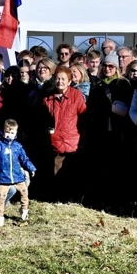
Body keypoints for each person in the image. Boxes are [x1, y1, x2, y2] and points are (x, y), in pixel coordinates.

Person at [38, 66, 87, 201]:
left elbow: (83, 117)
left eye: (63, 79)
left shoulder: (76, 95)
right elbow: (43, 119)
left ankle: (73, 198)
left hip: (73, 140)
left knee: (72, 172)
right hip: (55, 141)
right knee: (56, 171)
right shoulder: (47, 99)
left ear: (69, 81)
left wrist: (83, 137)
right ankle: (58, 198)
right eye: (58, 78)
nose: (60, 81)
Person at [0, 119, 36, 227]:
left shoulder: (17, 146)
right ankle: (0, 217)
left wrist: (31, 168)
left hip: (17, 176)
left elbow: (24, 159)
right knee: (1, 198)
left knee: (24, 194)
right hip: (3, 177)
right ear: (3, 131)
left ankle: (24, 212)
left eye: (12, 133)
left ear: (15, 133)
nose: (9, 135)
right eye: (7, 132)